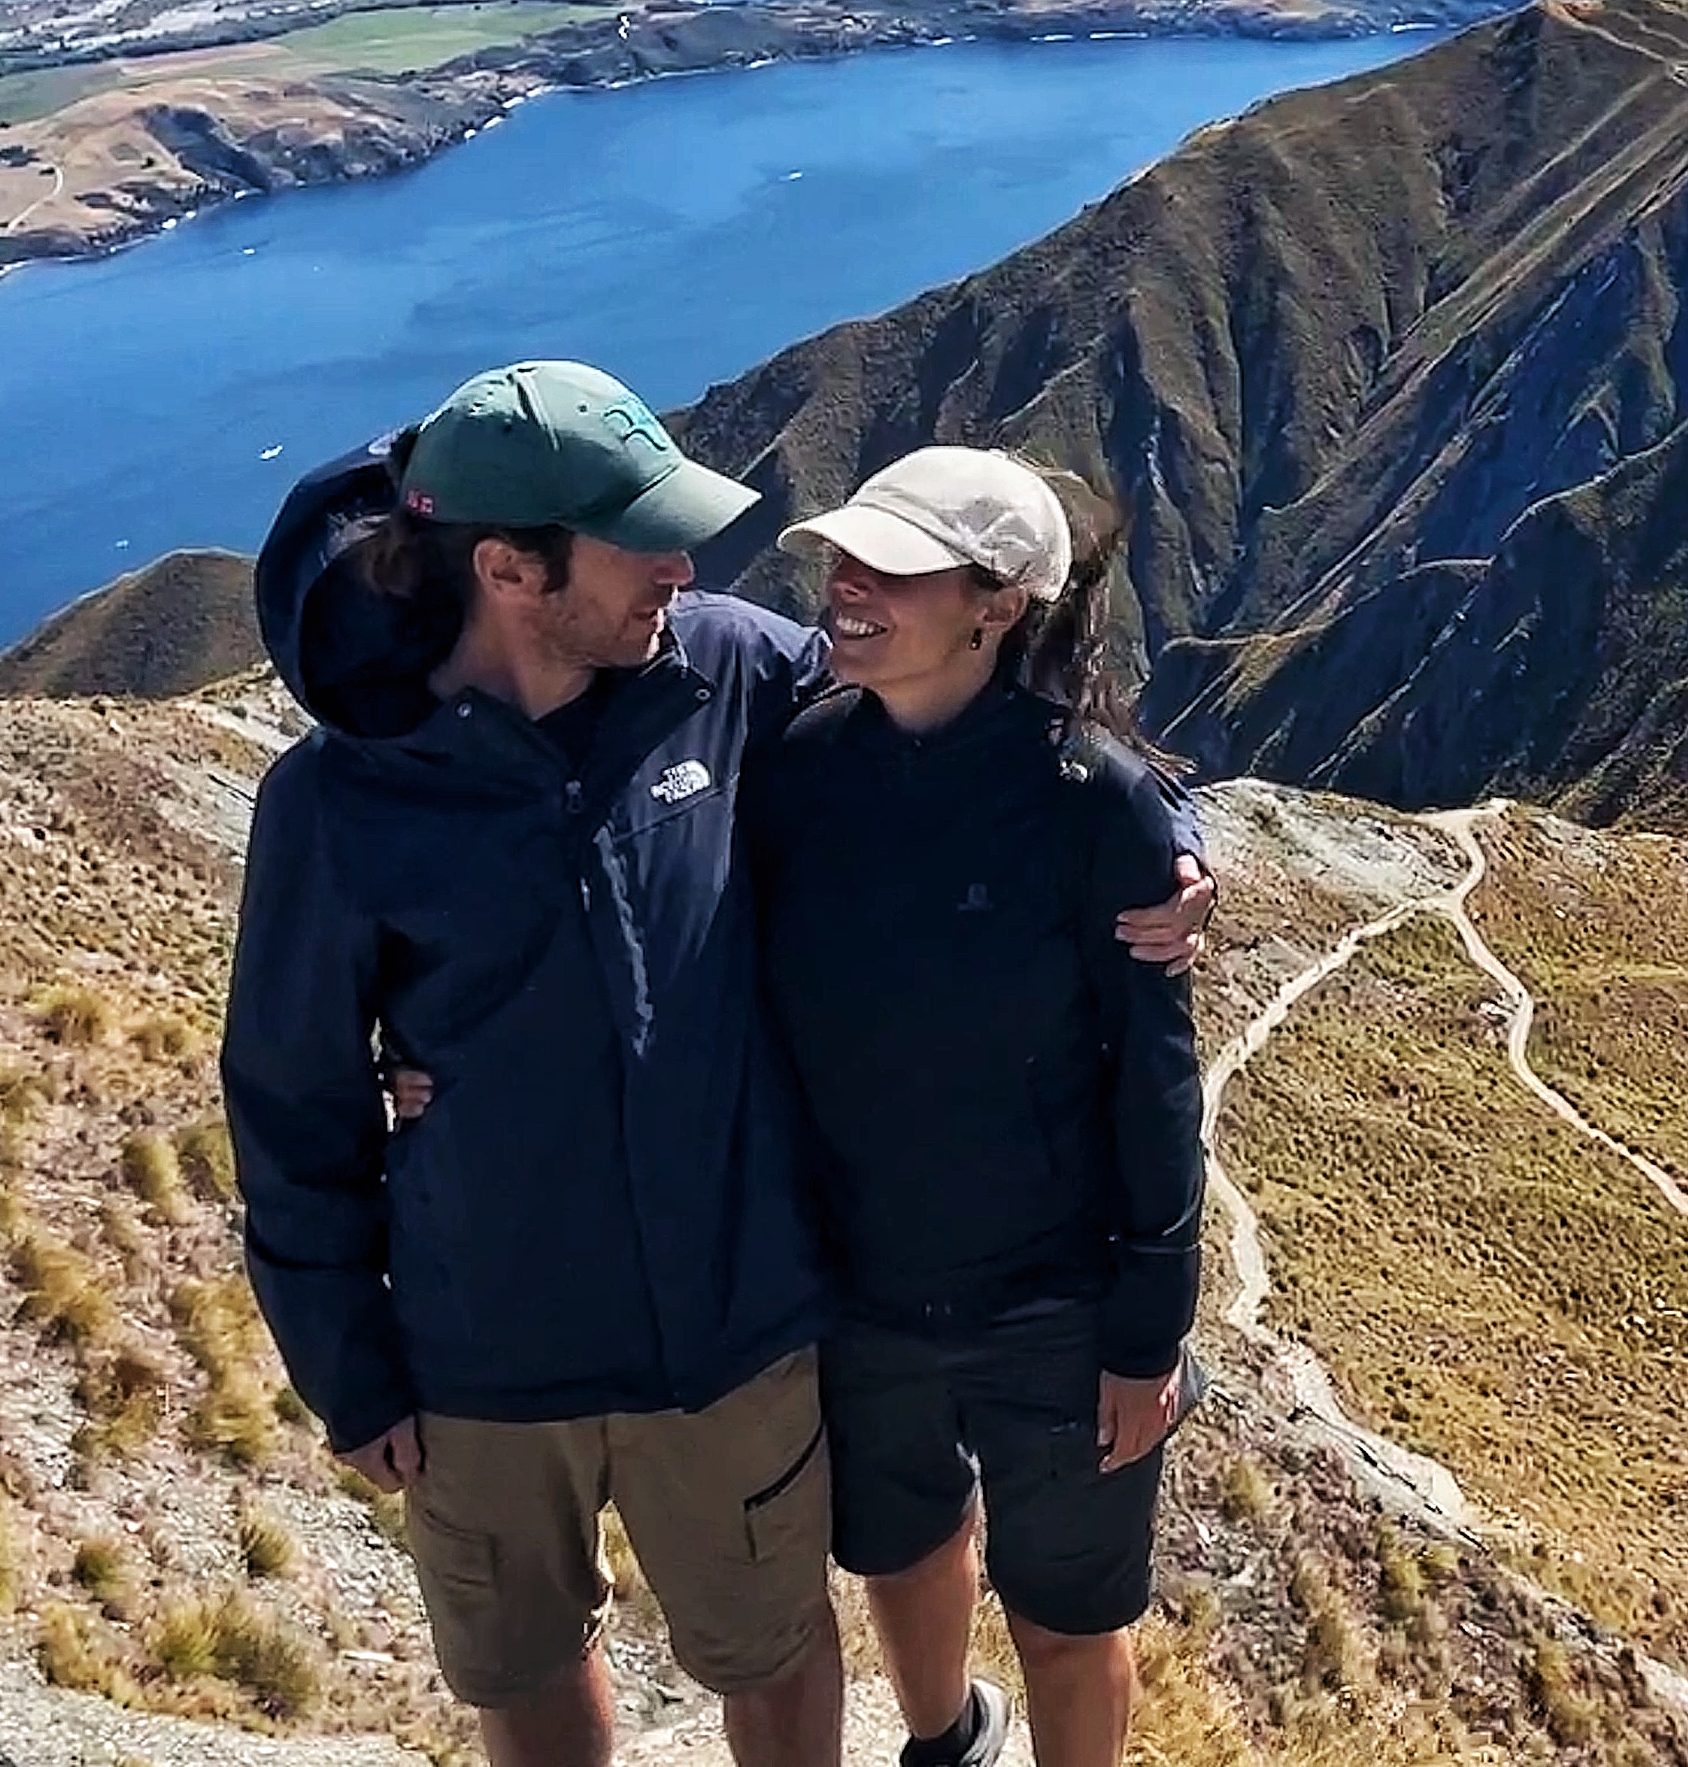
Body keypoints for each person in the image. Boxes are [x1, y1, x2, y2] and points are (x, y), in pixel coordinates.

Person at [220, 366, 1208, 1767]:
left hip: (733, 1334)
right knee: (527, 1671)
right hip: (483, 1344)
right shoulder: (337, 800)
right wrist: (349, 1367)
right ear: (510, 570)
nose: (684, 570)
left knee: (774, 1647)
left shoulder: (724, 671)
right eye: (643, 542)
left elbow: (966, 716)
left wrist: (1168, 842)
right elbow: (290, 1100)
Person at [751, 449, 1206, 1767]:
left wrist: (1149, 1333)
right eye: (846, 558)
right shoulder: (799, 770)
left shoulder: (1093, 804)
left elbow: (1154, 1075)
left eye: (892, 570)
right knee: (899, 1549)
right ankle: (946, 1743)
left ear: (996, 607)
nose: (847, 585)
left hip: (1057, 1308)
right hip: (861, 1291)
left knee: (1069, 1615)